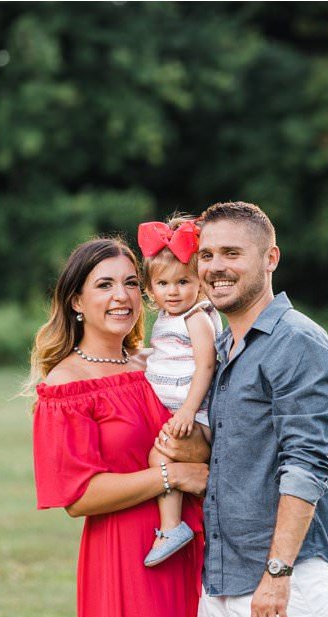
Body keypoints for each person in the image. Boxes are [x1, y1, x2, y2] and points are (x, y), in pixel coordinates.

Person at [154, 201, 328, 617]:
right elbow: (228, 448)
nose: (216, 266)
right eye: (207, 254)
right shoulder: (221, 349)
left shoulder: (298, 343)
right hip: (221, 576)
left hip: (283, 578)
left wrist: (278, 573)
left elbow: (305, 465)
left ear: (270, 259)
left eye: (232, 253)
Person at [29, 237, 209, 617]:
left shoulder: (153, 365)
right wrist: (172, 475)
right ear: (76, 301)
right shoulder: (67, 383)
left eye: (131, 283)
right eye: (104, 285)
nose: (122, 296)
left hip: (194, 544)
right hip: (129, 556)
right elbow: (78, 495)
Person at [138, 216, 221, 568]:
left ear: (200, 283)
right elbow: (164, 355)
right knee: (159, 459)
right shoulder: (168, 318)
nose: (173, 291)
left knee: (159, 459)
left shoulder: (197, 317)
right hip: (180, 411)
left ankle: (172, 526)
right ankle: (174, 524)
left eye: (183, 282)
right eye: (163, 284)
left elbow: (206, 365)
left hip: (194, 413)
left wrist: (188, 410)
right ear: (151, 289)